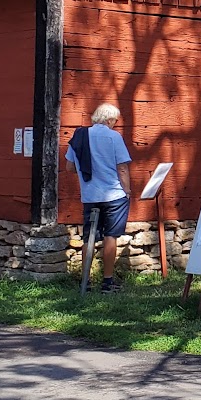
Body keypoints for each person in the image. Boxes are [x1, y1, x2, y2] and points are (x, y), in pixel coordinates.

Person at [65, 102, 133, 291]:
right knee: (111, 236)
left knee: (89, 237)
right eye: (115, 121)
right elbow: (122, 167)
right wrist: (127, 190)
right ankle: (107, 282)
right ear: (110, 119)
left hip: (90, 194)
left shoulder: (79, 136)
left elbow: (69, 167)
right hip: (113, 195)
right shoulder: (114, 137)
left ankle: (85, 280)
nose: (115, 124)